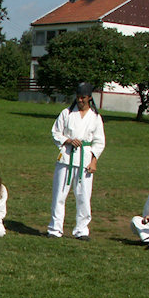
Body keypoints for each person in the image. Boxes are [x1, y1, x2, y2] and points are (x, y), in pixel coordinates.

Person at [47, 82, 105, 240]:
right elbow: (55, 132)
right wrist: (68, 140)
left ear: (89, 98)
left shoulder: (95, 117)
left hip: (85, 160)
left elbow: (99, 141)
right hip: (66, 157)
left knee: (83, 197)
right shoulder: (66, 113)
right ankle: (55, 229)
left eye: (83, 97)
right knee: (59, 195)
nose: (80, 100)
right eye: (78, 97)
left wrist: (94, 161)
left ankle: (82, 230)